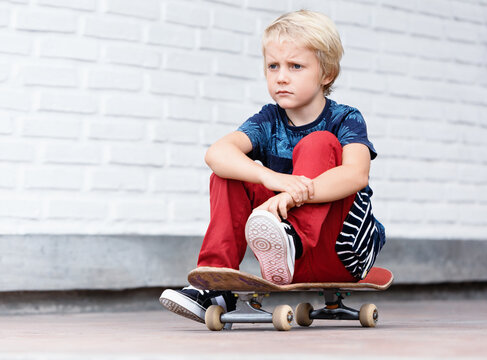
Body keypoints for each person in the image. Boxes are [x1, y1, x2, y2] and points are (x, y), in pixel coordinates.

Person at [160, 9, 386, 323]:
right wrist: (275, 179)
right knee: (227, 173)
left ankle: (291, 238)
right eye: (273, 66)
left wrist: (294, 196)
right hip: (288, 259)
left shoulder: (345, 118)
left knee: (318, 143)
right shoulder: (269, 120)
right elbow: (217, 152)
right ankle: (217, 285)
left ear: (327, 74)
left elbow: (356, 174)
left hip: (340, 250)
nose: (281, 76)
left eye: (295, 66)